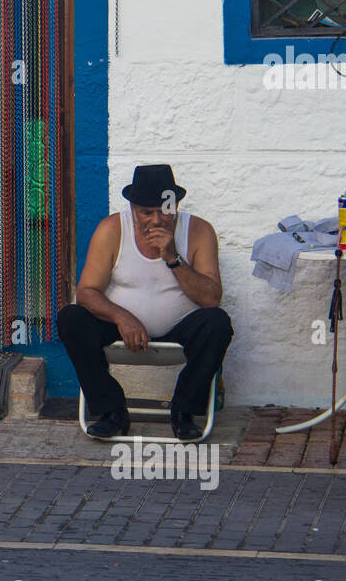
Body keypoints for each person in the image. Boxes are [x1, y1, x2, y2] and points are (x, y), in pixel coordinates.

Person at [57, 164, 233, 441]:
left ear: (174, 205)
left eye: (164, 211)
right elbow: (87, 291)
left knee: (218, 323)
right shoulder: (112, 229)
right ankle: (111, 412)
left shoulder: (198, 231)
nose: (157, 220)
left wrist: (173, 257)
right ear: (132, 208)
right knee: (71, 318)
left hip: (178, 328)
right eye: (146, 212)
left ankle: (184, 412)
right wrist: (121, 316)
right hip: (121, 328)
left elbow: (211, 298)